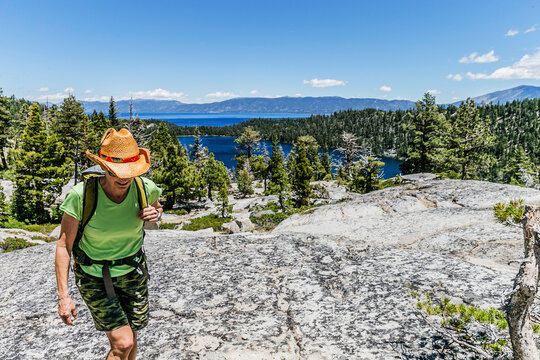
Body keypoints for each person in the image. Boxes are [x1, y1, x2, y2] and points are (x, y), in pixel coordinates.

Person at [55, 128, 163, 360]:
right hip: (94, 276)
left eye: (129, 171)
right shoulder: (81, 196)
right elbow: (63, 246)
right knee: (123, 343)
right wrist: (64, 297)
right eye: (116, 171)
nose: (124, 177)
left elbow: (158, 207)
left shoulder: (145, 188)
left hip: (132, 271)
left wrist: (156, 214)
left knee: (132, 338)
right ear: (104, 166)